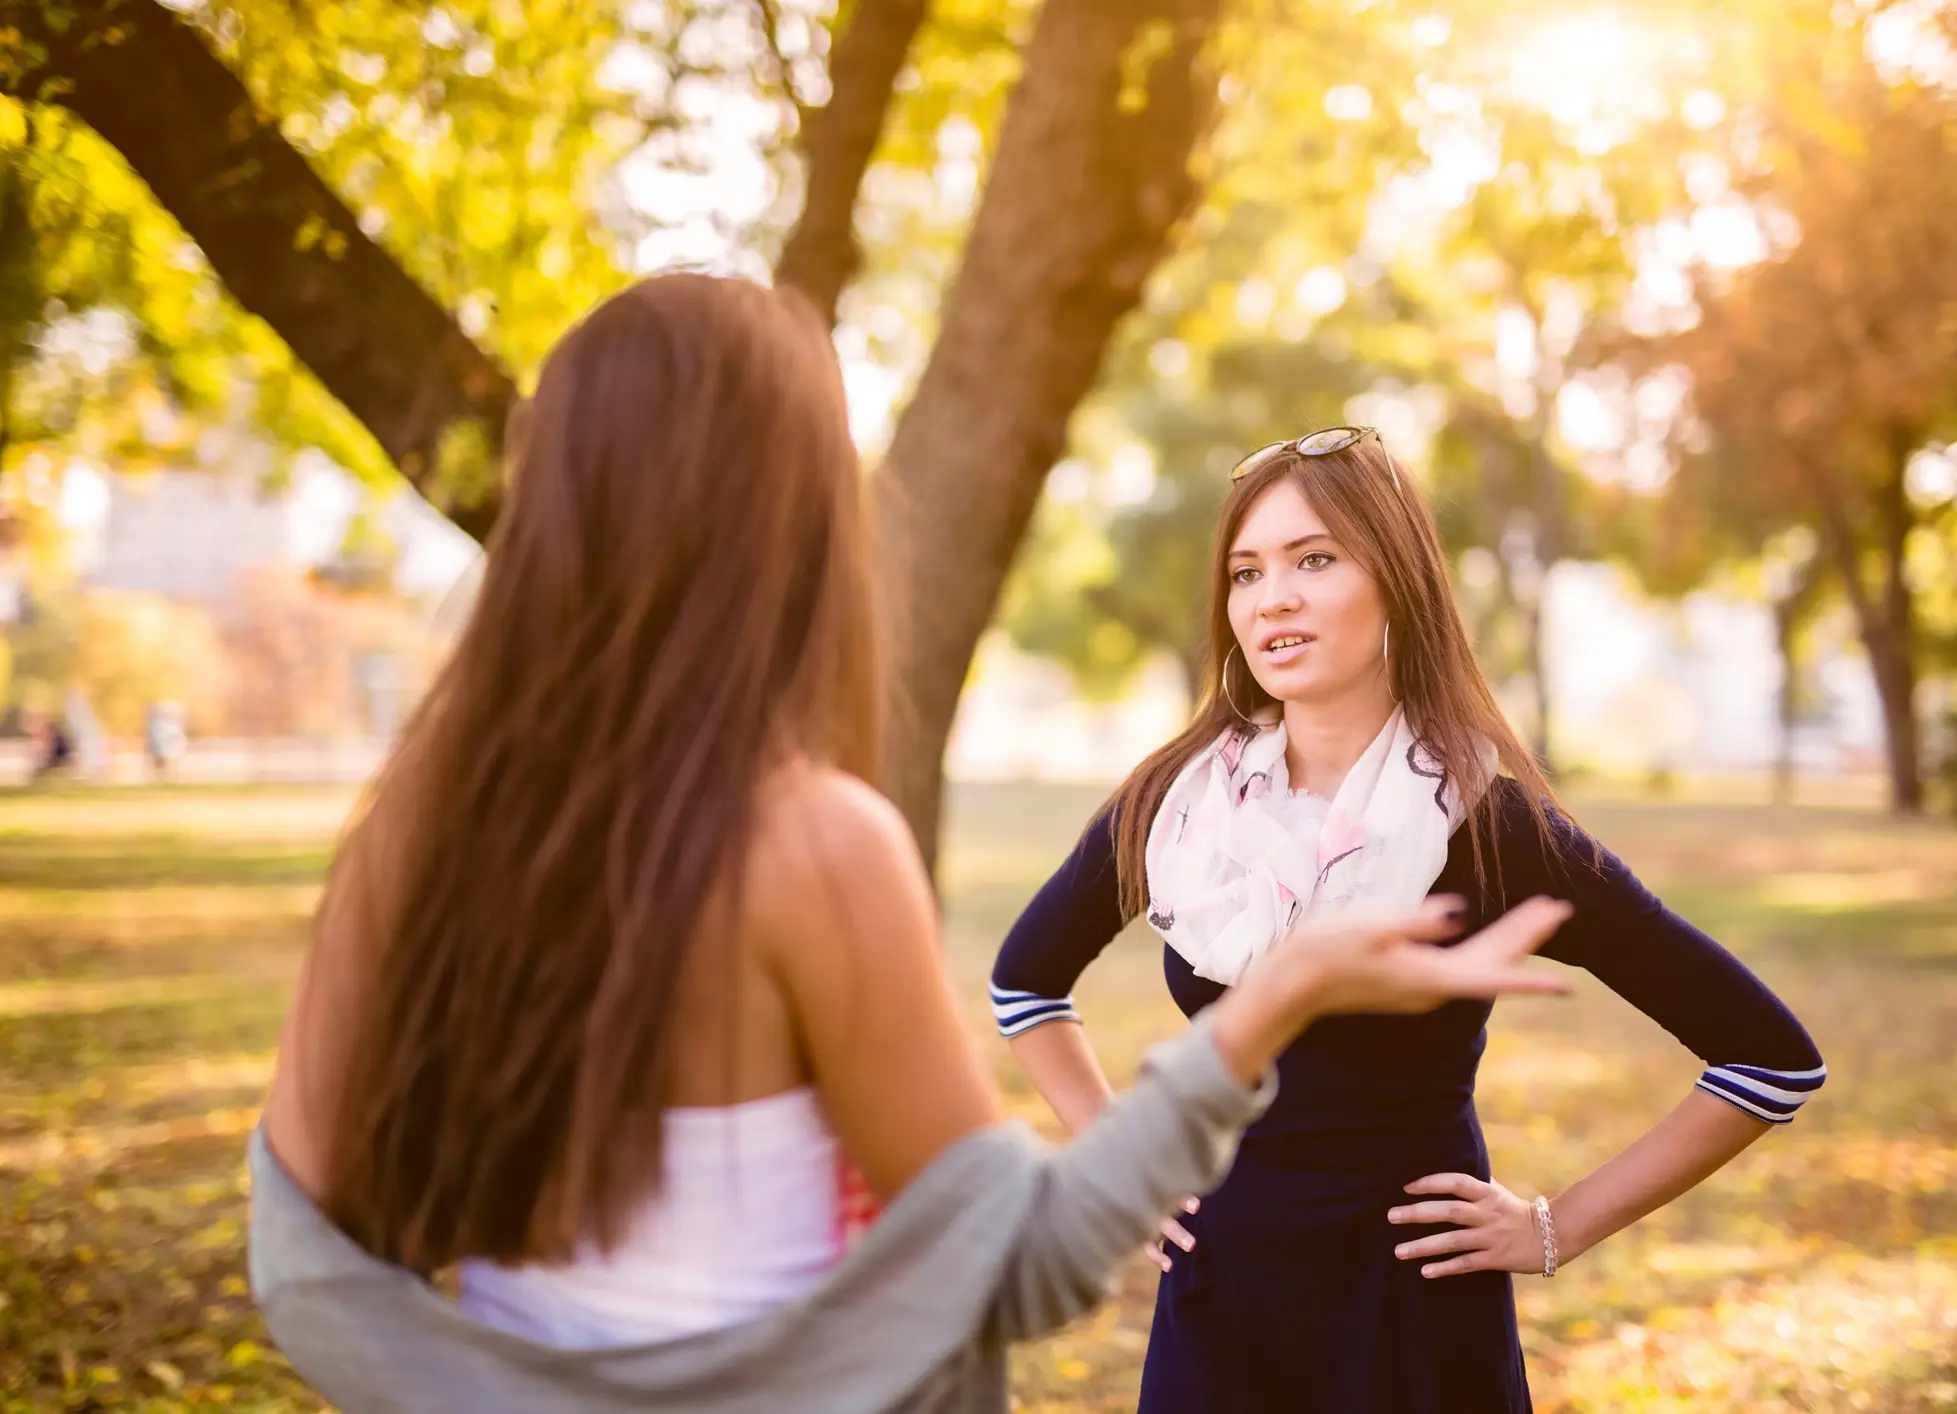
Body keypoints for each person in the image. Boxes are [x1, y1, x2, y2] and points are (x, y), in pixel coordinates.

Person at [246, 278, 1582, 1414]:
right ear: (789, 518)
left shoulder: (408, 840)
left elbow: (305, 1270)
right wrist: (1278, 999)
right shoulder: (810, 847)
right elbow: (1023, 1265)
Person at [991, 425, 1828, 1414]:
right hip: (1218, 1315)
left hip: (1415, 1324)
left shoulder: (1492, 824)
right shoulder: (1177, 806)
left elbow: (1768, 1060)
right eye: (1246, 572)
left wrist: (1555, 1227)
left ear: (1395, 579)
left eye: (1314, 560)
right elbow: (1025, 985)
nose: (1272, 598)